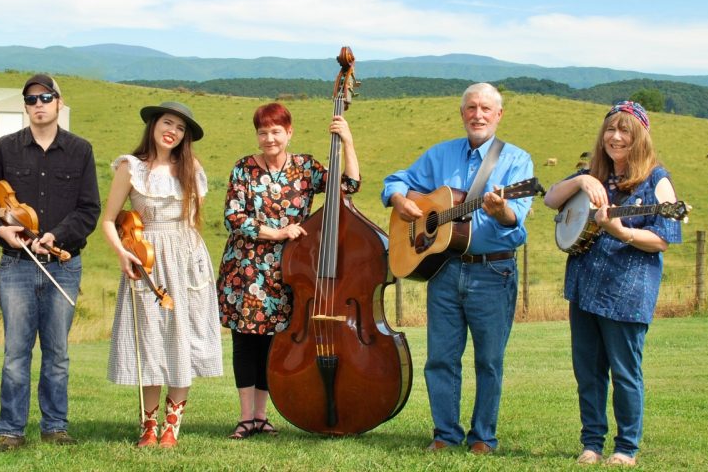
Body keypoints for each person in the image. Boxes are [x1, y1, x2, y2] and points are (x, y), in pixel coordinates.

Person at [382, 83, 533, 454]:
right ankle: (445, 434)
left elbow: (518, 226)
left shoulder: (516, 161)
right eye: (471, 108)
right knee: (441, 358)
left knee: (489, 360)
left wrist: (503, 212)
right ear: (461, 112)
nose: (477, 115)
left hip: (493, 273)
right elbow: (396, 181)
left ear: (499, 115)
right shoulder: (441, 155)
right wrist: (400, 200)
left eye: (485, 109)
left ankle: (483, 437)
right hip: (445, 270)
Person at [0, 74, 101, 452]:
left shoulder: (81, 150)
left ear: (59, 102)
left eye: (45, 97)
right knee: (15, 354)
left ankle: (55, 426)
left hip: (63, 265)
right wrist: (0, 231)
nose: (38, 104)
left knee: (57, 353)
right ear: (25, 106)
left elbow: (89, 209)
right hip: (16, 266)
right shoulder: (4, 149)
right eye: (30, 100)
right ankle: (10, 431)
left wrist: (56, 235)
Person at [543, 101, 682, 467]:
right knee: (587, 372)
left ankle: (626, 448)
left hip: (627, 291)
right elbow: (550, 199)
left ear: (640, 138)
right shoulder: (595, 174)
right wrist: (582, 179)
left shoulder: (657, 180)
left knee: (624, 372)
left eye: (625, 131)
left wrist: (622, 232)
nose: (616, 137)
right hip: (584, 286)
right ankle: (591, 443)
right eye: (611, 130)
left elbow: (664, 237)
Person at [217, 102, 360, 439]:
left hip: (291, 269)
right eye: (263, 132)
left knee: (274, 342)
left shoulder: (306, 167)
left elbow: (349, 187)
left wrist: (348, 141)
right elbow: (233, 218)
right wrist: (277, 232)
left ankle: (262, 416)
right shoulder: (243, 169)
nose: (269, 138)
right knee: (245, 342)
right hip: (247, 269)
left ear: (289, 132)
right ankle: (245, 417)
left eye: (276, 131)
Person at [103, 101, 223, 448]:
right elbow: (109, 219)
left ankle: (172, 426)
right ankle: (148, 426)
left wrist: (189, 256)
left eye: (181, 128)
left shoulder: (190, 168)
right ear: (154, 125)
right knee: (150, 339)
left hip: (186, 258)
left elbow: (192, 220)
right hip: (147, 258)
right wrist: (123, 252)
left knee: (183, 336)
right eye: (167, 123)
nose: (172, 131)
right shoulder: (131, 167)